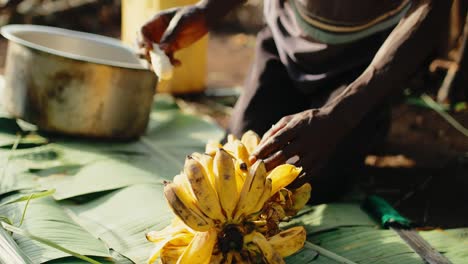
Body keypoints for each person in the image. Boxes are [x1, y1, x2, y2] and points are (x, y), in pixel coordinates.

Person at [140, 0, 453, 203]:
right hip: (286, 35)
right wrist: (208, 11)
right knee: (242, 163)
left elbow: (432, 9)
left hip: (368, 55)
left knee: (312, 181)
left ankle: (370, 113)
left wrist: (341, 115)